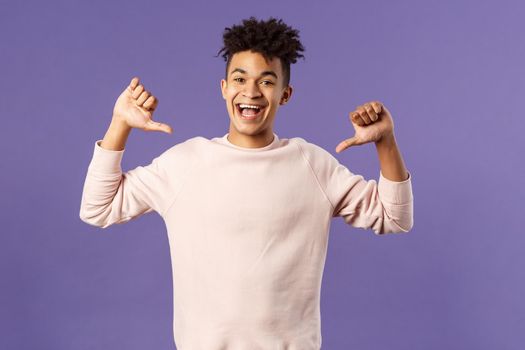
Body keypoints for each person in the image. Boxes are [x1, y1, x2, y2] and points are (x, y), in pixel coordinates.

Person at [79, 16, 413, 350]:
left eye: (267, 81)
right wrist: (119, 124)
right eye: (240, 78)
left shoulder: (311, 165)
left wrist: (386, 142)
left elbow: (394, 217)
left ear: (285, 94)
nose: (250, 91)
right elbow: (99, 208)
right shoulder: (185, 163)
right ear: (224, 88)